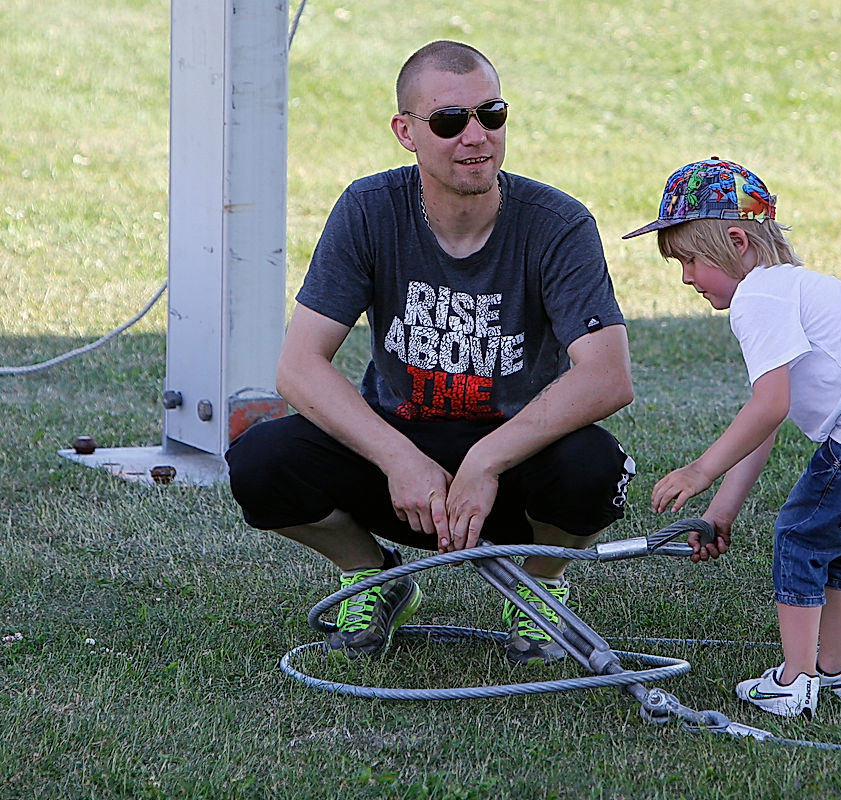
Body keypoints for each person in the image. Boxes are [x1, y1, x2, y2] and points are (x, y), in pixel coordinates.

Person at [226, 41, 636, 665]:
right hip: (400, 454)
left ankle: (538, 586)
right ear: (406, 132)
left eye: (491, 114)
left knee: (594, 469)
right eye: (450, 121)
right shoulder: (369, 209)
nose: (476, 136)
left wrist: (487, 461)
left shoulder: (558, 222)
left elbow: (608, 377)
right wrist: (399, 459)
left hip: (515, 456)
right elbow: (299, 368)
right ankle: (371, 574)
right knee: (260, 461)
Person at [623, 157, 841, 719]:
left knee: (801, 537)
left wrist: (698, 472)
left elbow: (769, 405)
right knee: (839, 541)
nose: (685, 277)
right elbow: (767, 420)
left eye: (688, 259)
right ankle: (837, 672)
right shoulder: (797, 289)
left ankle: (795, 680)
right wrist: (723, 511)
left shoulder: (759, 298)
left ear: (736, 241)